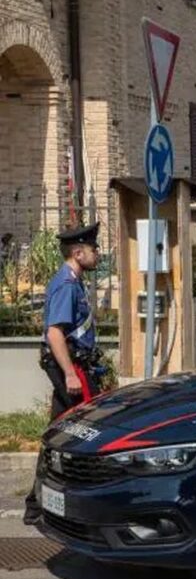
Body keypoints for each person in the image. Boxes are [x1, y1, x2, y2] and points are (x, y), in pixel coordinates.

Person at [23, 222, 102, 526]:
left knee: (59, 430)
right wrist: (70, 373)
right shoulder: (67, 285)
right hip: (72, 368)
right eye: (94, 250)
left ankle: (37, 502)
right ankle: (83, 499)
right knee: (89, 429)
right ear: (78, 252)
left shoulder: (74, 281)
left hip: (78, 365)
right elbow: (55, 333)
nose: (98, 254)